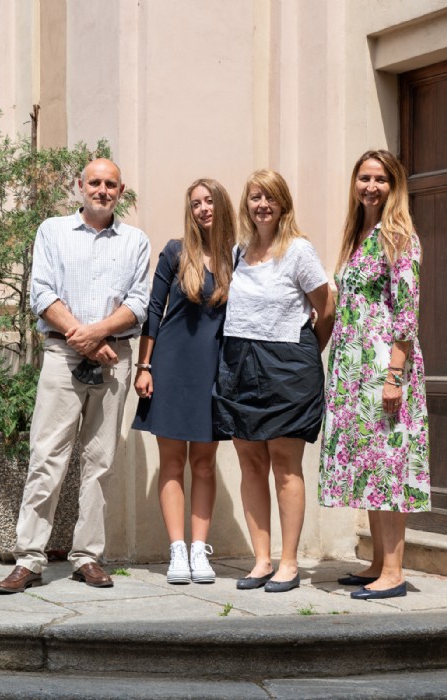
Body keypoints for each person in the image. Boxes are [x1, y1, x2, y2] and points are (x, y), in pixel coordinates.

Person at [0, 158, 150, 594]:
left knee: (100, 463)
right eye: (95, 182)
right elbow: (42, 293)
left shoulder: (135, 241)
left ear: (121, 191)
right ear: (80, 186)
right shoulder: (53, 231)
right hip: (63, 355)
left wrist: (96, 335)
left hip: (114, 358)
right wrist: (85, 339)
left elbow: (139, 303)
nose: (102, 190)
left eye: (111, 184)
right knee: (46, 457)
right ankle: (29, 558)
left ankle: (87, 557)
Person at [213, 170, 335, 593]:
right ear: (246, 204)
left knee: (285, 465)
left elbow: (326, 308)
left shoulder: (299, 250)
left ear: (283, 204)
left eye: (270, 197)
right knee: (250, 463)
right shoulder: (237, 252)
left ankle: (289, 563)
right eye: (255, 197)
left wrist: (306, 354)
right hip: (239, 365)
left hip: (287, 366)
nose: (262, 204)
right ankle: (261, 560)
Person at [318, 149, 430, 600]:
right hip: (353, 370)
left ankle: (395, 573)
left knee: (388, 465)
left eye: (380, 179)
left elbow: (406, 313)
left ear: (394, 185)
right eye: (364, 178)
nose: (371, 186)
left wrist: (394, 376)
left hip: (384, 367)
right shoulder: (358, 235)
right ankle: (379, 562)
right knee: (369, 463)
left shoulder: (399, 236)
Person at [133, 178, 236, 584]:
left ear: (221, 205)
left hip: (213, 371)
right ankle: (176, 550)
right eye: (196, 203)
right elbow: (153, 311)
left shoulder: (236, 257)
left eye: (209, 201)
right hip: (171, 366)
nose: (203, 209)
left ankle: (199, 550)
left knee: (205, 464)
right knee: (173, 462)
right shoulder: (175, 252)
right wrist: (144, 367)